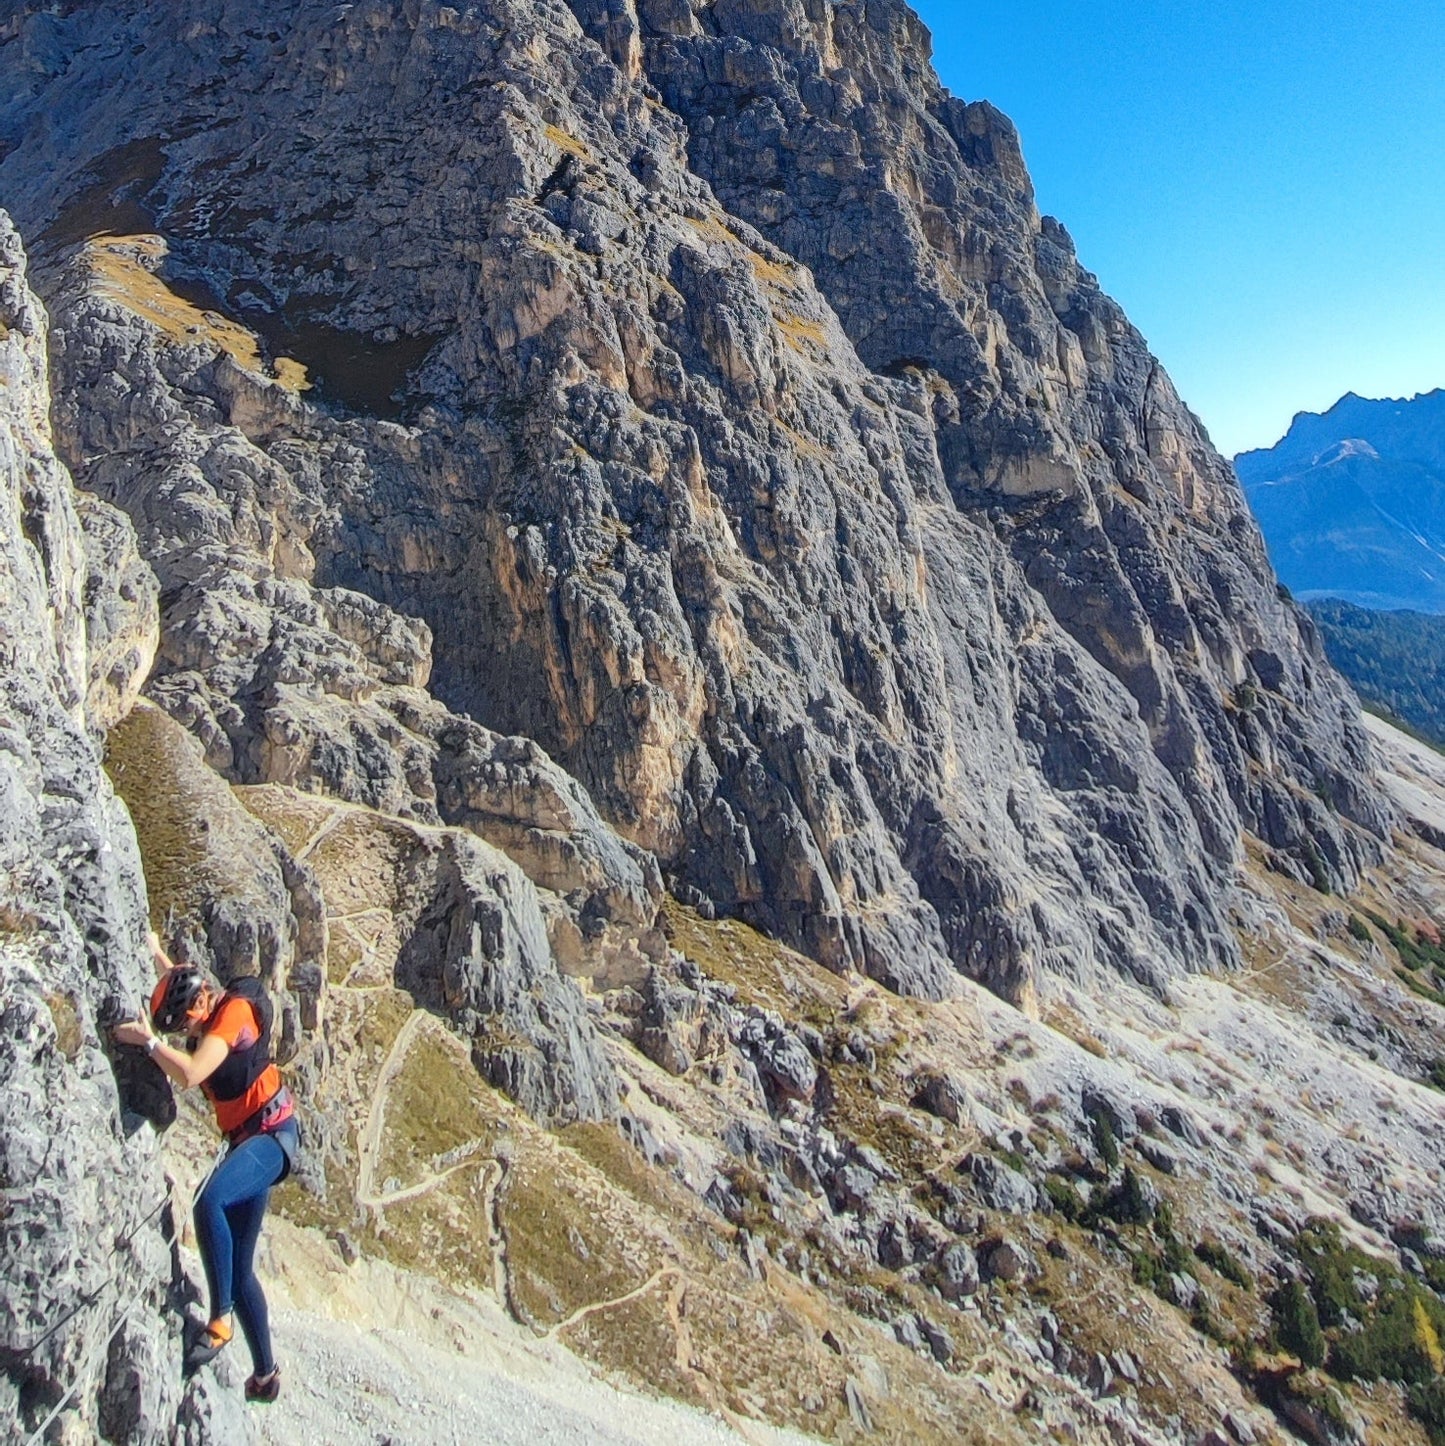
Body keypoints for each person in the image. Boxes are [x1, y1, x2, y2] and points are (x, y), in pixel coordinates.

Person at [113, 932, 299, 1404]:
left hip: (269, 1139)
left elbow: (194, 1073)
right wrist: (156, 952)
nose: (186, 1031)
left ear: (196, 1009)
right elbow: (178, 983)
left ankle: (221, 1321)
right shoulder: (208, 1006)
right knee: (238, 1269)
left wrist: (151, 1044)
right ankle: (265, 1375)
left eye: (184, 1024)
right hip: (256, 1138)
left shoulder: (229, 1018)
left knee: (208, 1201)